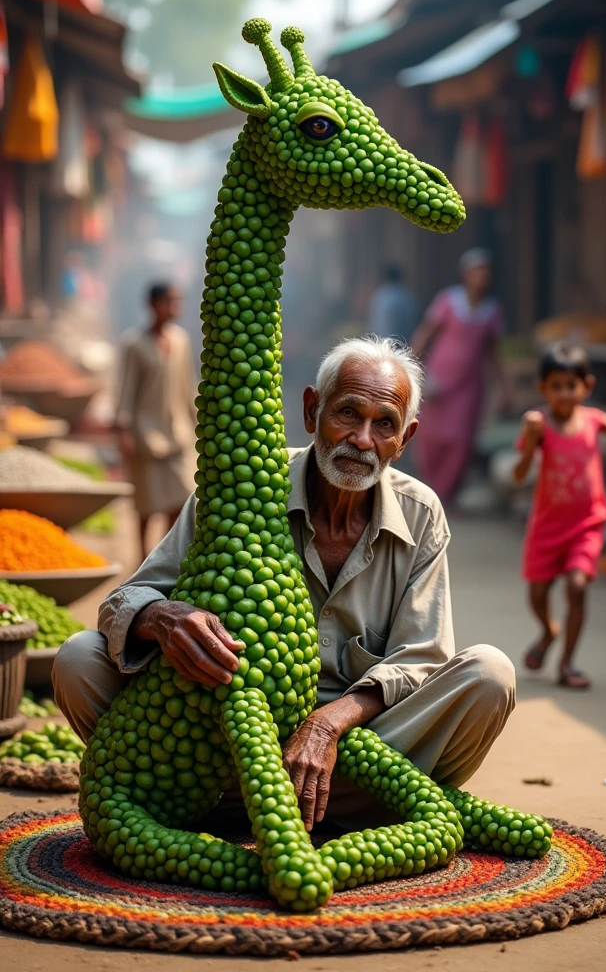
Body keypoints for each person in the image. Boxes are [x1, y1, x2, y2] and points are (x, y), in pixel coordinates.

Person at [54, 336, 515, 832]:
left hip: (355, 751)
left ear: (405, 438)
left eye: (384, 424)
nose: (362, 439)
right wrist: (161, 617)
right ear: (312, 410)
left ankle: (305, 804)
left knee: (489, 675)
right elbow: (125, 600)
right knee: (79, 660)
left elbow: (420, 657)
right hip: (217, 745)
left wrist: (327, 723)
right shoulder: (244, 486)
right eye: (347, 414)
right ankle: (227, 796)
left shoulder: (420, 515)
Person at [513, 343, 606, 690]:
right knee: (537, 596)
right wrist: (529, 436)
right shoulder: (539, 425)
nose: (565, 394)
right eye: (556, 386)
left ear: (587, 386)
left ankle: (567, 664)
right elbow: (519, 475)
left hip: (586, 525)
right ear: (543, 389)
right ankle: (548, 630)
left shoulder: (593, 419)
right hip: (546, 528)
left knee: (577, 586)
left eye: (572, 385)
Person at [411, 248, 510, 507]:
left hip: (469, 387)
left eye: (487, 271)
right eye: (478, 270)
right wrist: (409, 364)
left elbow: (494, 354)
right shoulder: (448, 301)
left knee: (461, 440)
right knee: (431, 436)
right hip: (438, 381)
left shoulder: (492, 311)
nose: (483, 276)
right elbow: (426, 332)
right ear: (466, 274)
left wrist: (504, 388)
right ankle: (428, 489)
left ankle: (444, 496)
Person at [115, 282, 197, 559]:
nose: (175, 307)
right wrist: (124, 432)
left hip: (177, 435)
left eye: (178, 301)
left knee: (179, 501)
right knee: (146, 506)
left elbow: (188, 387)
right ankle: (141, 559)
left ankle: (164, 558)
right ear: (152, 305)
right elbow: (125, 390)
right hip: (145, 437)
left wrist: (198, 421)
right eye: (169, 301)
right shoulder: (134, 344)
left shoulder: (181, 341)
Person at [367, 263, 419, 344]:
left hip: (380, 342)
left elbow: (373, 322)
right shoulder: (407, 296)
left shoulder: (380, 294)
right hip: (402, 342)